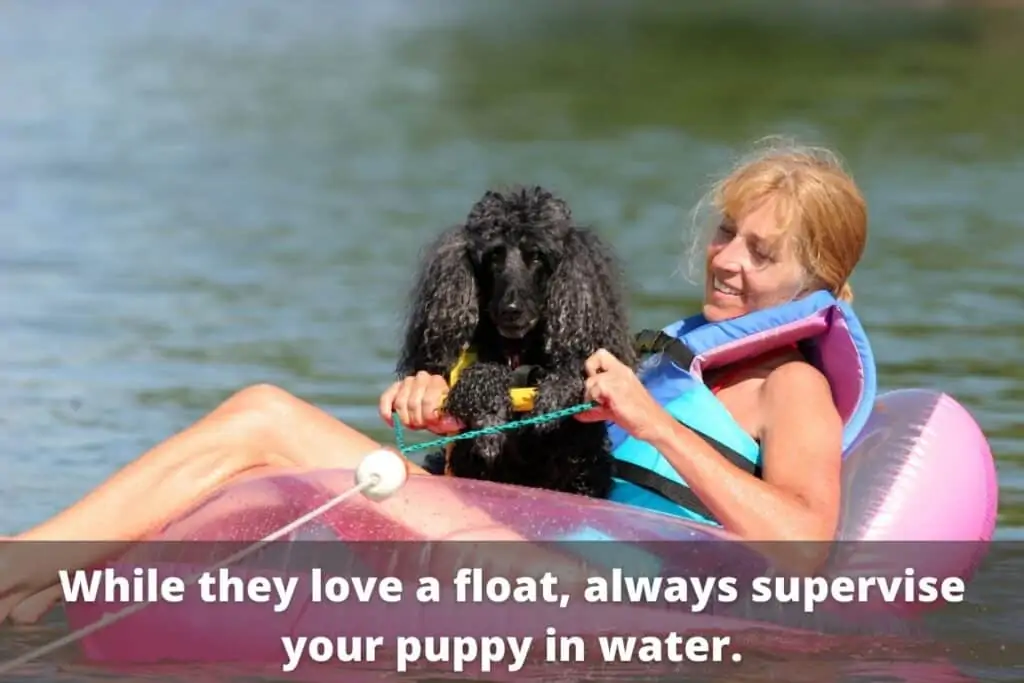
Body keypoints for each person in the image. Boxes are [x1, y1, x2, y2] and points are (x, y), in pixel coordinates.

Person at [0, 137, 868, 623]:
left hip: (593, 589)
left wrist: (658, 423)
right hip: (539, 541)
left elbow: (806, 548)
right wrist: (446, 423)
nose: (725, 261)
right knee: (268, 475)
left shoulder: (792, 385)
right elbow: (552, 466)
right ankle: (43, 593)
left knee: (264, 412)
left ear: (817, 275)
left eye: (762, 252)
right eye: (725, 233)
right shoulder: (685, 356)